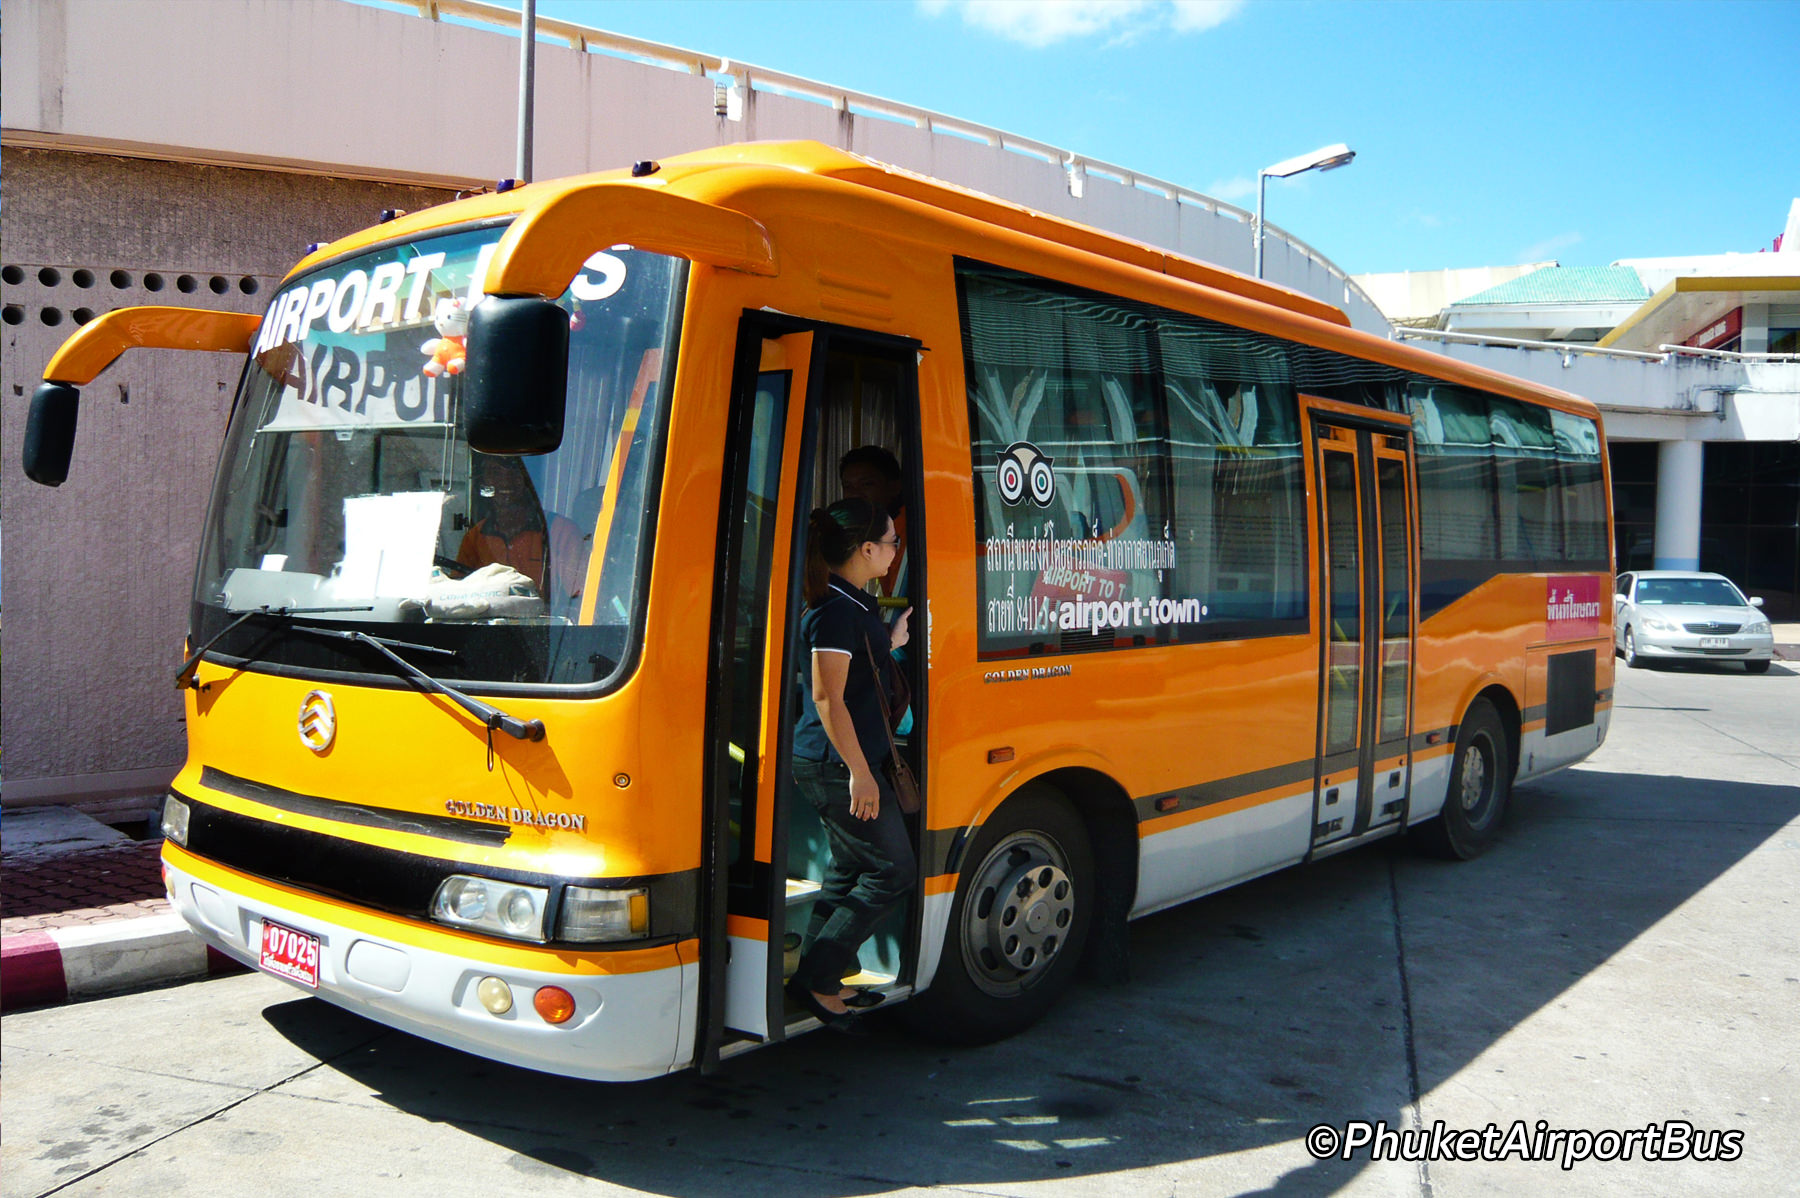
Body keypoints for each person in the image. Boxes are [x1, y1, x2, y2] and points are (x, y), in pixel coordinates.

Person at [787, 498, 915, 1031]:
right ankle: (818, 980)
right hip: (836, 765)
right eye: (890, 542)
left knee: (847, 868)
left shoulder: (852, 602)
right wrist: (862, 774)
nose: (894, 550)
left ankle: (820, 974)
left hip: (843, 761)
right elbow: (827, 698)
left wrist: (891, 639)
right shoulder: (836, 610)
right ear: (865, 549)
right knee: (892, 871)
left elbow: (856, 669)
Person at [457, 455, 548, 590]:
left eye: (515, 472)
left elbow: (576, 594)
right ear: (484, 481)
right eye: (495, 472)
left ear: (529, 480)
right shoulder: (475, 537)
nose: (505, 482)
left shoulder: (558, 532)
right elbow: (457, 590)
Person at [839, 445, 907, 598]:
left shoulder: (907, 529)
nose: (855, 494)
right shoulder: (871, 528)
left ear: (894, 487)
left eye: (867, 484)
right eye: (848, 486)